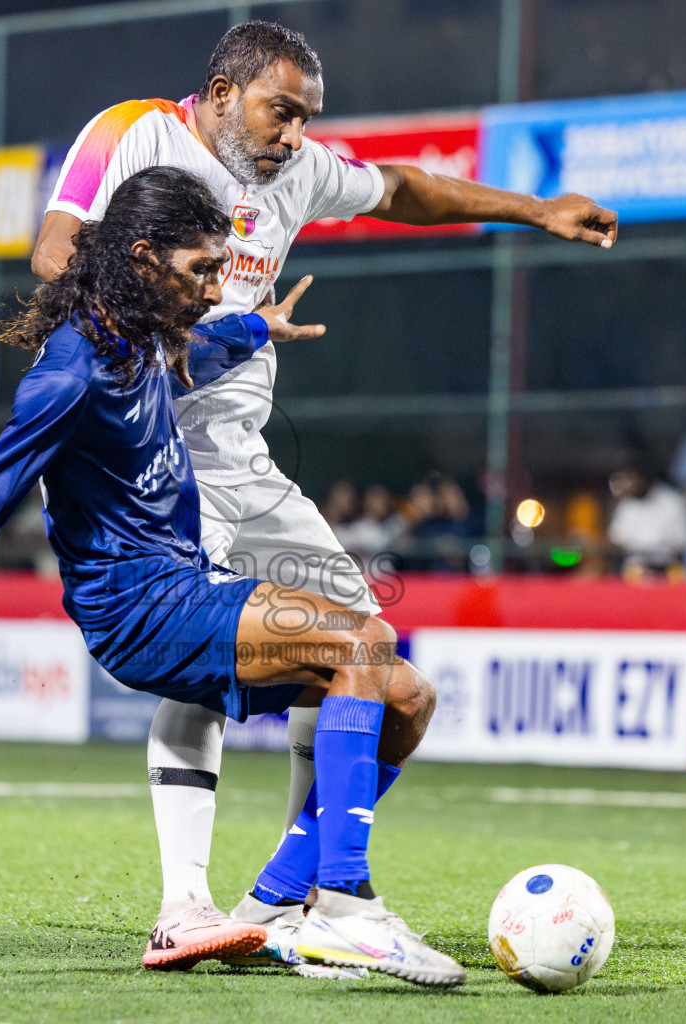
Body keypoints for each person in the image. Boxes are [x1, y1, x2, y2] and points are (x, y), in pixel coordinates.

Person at [31, 19, 620, 970]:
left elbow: (407, 189)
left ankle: (292, 898)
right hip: (155, 466)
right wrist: (158, 339)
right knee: (210, 661)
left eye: (307, 117)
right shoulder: (133, 133)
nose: (293, 133)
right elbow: (54, 252)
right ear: (222, 92)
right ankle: (187, 904)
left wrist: (536, 207)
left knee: (371, 659)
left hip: (246, 465)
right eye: (280, 110)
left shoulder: (294, 172)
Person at [0, 167, 464, 987]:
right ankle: (346, 911)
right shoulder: (67, 375)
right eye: (204, 269)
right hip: (142, 609)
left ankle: (274, 903)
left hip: (185, 586)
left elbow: (192, 353)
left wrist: (256, 329)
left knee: (407, 697)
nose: (216, 287)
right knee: (362, 639)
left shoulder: (138, 333)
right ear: (143, 257)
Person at [605, 466, 686, 581]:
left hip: (667, 566)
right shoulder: (627, 505)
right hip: (634, 567)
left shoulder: (672, 501)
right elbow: (616, 539)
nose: (630, 483)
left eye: (633, 478)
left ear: (645, 478)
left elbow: (685, 541)